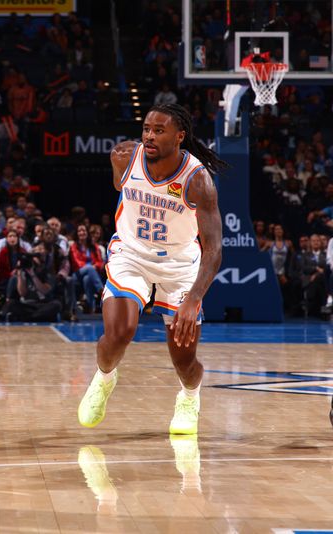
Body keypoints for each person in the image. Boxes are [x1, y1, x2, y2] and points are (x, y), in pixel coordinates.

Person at [77, 103, 225, 436]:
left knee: (184, 362)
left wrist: (194, 298)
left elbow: (214, 249)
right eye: (146, 128)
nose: (149, 136)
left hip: (180, 266)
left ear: (180, 136)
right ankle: (103, 379)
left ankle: (189, 396)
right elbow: (120, 188)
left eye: (159, 130)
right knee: (119, 333)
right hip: (132, 255)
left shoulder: (198, 180)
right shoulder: (123, 157)